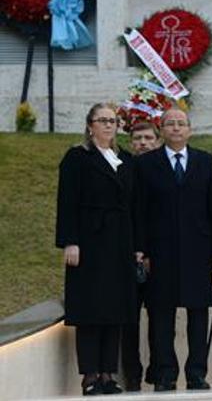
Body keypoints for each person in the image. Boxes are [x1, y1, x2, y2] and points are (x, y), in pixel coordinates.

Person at [55, 103, 137, 396]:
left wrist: (136, 246)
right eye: (102, 120)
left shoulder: (124, 159)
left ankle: (107, 373)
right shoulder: (78, 157)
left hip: (119, 243)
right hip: (89, 242)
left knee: (114, 308)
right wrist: (70, 240)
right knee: (91, 308)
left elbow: (133, 206)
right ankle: (90, 375)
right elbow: (67, 201)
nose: (107, 125)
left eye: (112, 121)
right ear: (90, 125)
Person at [133, 109, 212, 391]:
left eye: (182, 124)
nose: (177, 128)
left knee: (197, 316)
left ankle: (196, 373)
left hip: (197, 250)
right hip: (161, 252)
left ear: (190, 130)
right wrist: (141, 249)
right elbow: (140, 210)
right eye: (171, 124)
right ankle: (165, 373)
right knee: (161, 316)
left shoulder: (205, 161)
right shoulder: (146, 164)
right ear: (162, 130)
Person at [120, 120, 162, 391]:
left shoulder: (164, 169)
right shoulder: (122, 169)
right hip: (127, 257)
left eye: (148, 138)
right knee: (129, 321)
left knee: (159, 319)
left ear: (157, 141)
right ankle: (131, 374)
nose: (143, 143)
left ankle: (157, 371)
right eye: (137, 138)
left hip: (159, 257)